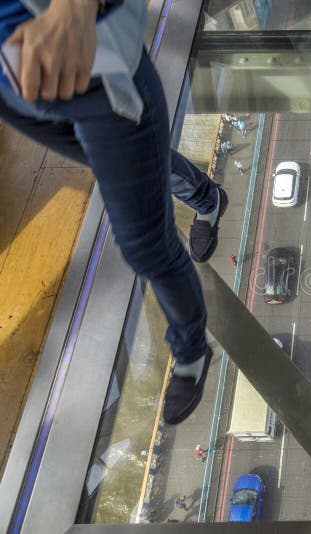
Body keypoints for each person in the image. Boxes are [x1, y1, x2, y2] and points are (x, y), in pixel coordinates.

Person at [0, 0, 225, 425]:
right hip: (20, 87)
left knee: (146, 247)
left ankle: (192, 349)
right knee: (135, 162)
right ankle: (205, 195)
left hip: (94, 71)